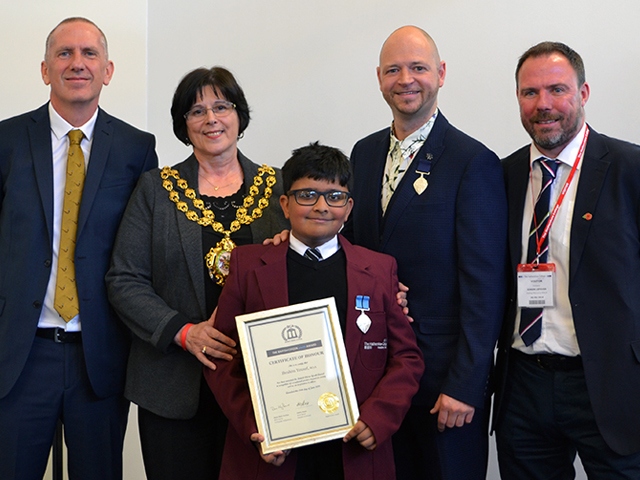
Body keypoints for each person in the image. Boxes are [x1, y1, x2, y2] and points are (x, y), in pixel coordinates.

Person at [106, 66, 289, 479]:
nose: (211, 120)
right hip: (173, 387)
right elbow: (124, 279)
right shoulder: (155, 188)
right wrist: (183, 332)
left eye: (221, 107)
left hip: (261, 386)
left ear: (239, 116)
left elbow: (314, 262)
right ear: (183, 125)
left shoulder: (279, 187)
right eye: (196, 111)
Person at [343, 25, 508, 480]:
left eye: (418, 67)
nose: (406, 79)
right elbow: (353, 251)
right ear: (379, 78)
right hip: (375, 378)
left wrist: (466, 385)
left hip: (443, 387)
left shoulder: (472, 161)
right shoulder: (364, 153)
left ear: (441, 73)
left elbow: (486, 287)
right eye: (393, 69)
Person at [205, 142, 424, 480]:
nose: (322, 207)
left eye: (334, 197)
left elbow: (406, 359)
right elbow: (222, 358)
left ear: (348, 208)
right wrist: (255, 426)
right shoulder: (248, 265)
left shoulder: (379, 270)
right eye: (307, 194)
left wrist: (378, 419)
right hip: (273, 455)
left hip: (353, 451)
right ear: (285, 204)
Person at [0, 17, 158, 480]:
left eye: (89, 54)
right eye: (64, 54)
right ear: (45, 69)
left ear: (107, 70)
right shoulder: (5, 141)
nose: (77, 64)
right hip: (19, 355)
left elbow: (147, 244)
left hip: (100, 355)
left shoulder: (136, 148)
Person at [493, 41, 640, 479]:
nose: (544, 105)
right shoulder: (502, 175)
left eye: (557, 90)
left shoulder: (629, 169)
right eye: (530, 93)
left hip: (609, 384)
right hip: (522, 383)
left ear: (584, 93)